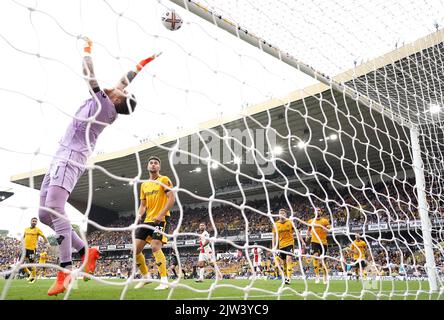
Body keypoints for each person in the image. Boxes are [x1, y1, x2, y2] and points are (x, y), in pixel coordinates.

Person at [37, 37, 160, 296]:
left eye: (120, 90)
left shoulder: (104, 104)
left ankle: (66, 270)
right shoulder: (110, 99)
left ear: (117, 100)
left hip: (71, 157)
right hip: (60, 154)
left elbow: (88, 74)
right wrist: (144, 62)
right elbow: (126, 79)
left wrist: (87, 49)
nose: (118, 86)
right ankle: (86, 251)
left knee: (56, 209)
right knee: (44, 214)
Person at [133, 156, 175, 290]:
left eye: (156, 163)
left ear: (159, 167)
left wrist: (161, 214)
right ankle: (146, 277)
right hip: (147, 221)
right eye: (151, 163)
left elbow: (171, 198)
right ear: (147, 166)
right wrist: (138, 216)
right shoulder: (144, 185)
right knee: (135, 250)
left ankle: (164, 280)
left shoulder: (164, 180)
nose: (153, 165)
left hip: (161, 219)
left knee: (155, 247)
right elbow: (143, 205)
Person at [271, 209, 305, 285]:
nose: (281, 214)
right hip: (281, 245)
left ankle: (289, 278)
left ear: (286, 215)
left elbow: (297, 232)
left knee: (289, 259)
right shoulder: (276, 224)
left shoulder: (290, 222)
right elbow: (274, 236)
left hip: (289, 244)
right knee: (284, 263)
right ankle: (286, 277)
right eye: (280, 213)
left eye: (283, 213)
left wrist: (302, 242)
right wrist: (273, 247)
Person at [306, 207, 331, 284]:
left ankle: (325, 277)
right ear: (314, 212)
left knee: (323, 260)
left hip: (323, 242)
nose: (317, 212)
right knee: (315, 257)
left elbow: (329, 228)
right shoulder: (310, 221)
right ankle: (317, 276)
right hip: (314, 241)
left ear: (321, 212)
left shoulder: (325, 221)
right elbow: (309, 230)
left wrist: (327, 228)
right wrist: (307, 236)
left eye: (319, 210)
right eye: (316, 210)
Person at [22, 217, 48, 283]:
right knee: (21, 263)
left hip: (31, 249)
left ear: (36, 223)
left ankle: (33, 277)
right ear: (30, 221)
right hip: (25, 249)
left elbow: (43, 236)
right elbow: (23, 237)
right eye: (33, 221)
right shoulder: (26, 229)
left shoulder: (37, 230)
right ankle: (30, 274)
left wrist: (47, 243)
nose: (34, 222)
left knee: (32, 264)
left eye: (35, 221)